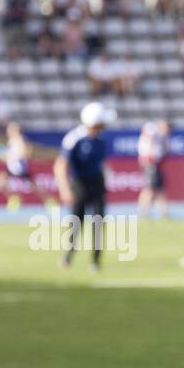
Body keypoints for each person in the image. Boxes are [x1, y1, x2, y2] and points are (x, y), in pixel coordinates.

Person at [54, 101, 115, 272]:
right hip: (80, 184)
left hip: (97, 184)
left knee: (98, 222)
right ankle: (69, 256)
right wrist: (65, 188)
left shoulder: (100, 139)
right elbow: (61, 165)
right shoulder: (74, 138)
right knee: (76, 223)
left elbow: (102, 162)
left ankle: (95, 261)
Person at [137, 120, 170, 219]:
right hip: (151, 164)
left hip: (154, 164)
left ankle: (163, 212)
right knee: (149, 189)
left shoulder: (158, 137)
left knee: (158, 189)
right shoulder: (153, 133)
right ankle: (143, 213)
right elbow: (150, 138)